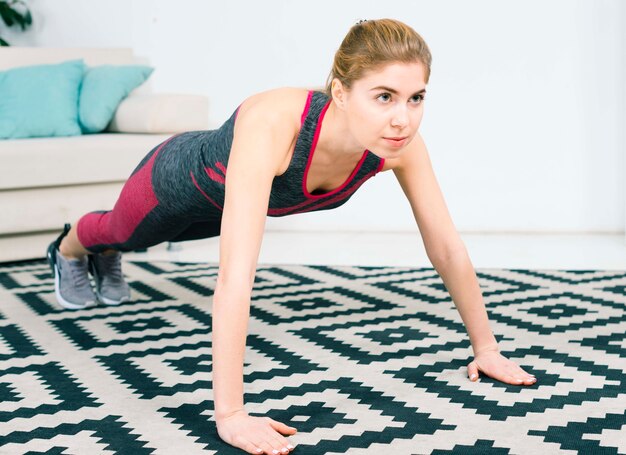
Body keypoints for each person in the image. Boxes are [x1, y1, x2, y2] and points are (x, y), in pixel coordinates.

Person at [46, 18, 537, 455]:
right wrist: (231, 415)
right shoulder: (275, 123)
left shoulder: (399, 145)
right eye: (384, 96)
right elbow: (235, 279)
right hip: (177, 183)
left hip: (233, 202)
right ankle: (71, 247)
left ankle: (106, 252)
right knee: (121, 231)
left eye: (416, 98)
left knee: (132, 240)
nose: (402, 117)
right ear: (341, 92)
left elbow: (446, 247)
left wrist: (487, 348)